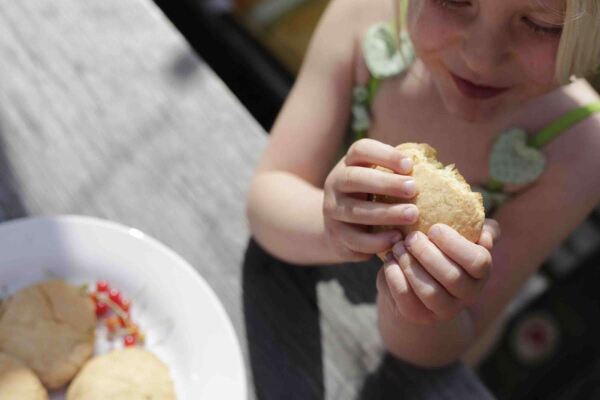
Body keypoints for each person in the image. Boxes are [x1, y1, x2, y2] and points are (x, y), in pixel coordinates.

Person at [245, 0, 600, 368]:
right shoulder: (360, 14)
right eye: (454, 0)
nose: (481, 58)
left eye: (541, 24)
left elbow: (450, 341)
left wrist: (423, 309)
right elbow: (267, 197)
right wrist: (332, 227)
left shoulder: (581, 149)